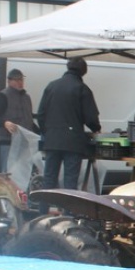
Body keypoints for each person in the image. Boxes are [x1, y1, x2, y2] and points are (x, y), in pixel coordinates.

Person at [35, 57, 100, 191]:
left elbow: (41, 114)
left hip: (52, 141)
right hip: (73, 142)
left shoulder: (51, 86)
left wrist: (48, 131)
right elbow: (91, 118)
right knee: (70, 182)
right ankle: (69, 212)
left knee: (49, 180)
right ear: (83, 72)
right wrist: (96, 129)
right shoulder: (82, 89)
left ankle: (43, 211)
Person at [0, 68, 35, 174]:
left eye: (21, 79)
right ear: (9, 81)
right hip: (8, 142)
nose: (20, 82)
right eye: (16, 80)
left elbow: (29, 120)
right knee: (8, 172)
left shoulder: (27, 98)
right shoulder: (2, 96)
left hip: (24, 142)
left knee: (22, 173)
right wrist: (5, 123)